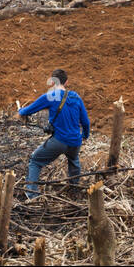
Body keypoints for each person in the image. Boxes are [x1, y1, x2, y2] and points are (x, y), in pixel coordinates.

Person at [18, 69, 90, 199]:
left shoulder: (50, 96)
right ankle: (75, 191)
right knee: (73, 160)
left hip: (59, 141)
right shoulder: (76, 97)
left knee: (35, 161)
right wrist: (85, 135)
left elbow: (28, 111)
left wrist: (20, 110)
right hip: (75, 141)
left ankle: (32, 196)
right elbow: (85, 121)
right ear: (67, 82)